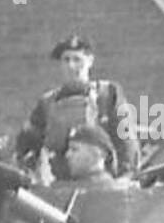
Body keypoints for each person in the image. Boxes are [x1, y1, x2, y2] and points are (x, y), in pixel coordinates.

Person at [16, 35, 140, 180]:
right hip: (60, 182)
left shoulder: (108, 94)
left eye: (77, 59)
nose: (71, 66)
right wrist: (30, 174)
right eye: (66, 60)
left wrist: (126, 176)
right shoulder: (47, 103)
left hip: (101, 181)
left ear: (90, 61)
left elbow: (126, 139)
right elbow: (27, 144)